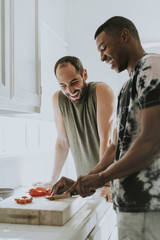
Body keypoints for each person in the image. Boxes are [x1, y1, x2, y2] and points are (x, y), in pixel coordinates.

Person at [66, 16, 160, 240]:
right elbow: (117, 147)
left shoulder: (152, 66)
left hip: (147, 204)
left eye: (103, 47)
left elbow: (152, 140)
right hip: (129, 204)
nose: (101, 57)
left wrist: (101, 179)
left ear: (125, 35)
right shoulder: (127, 85)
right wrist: (84, 179)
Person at [35, 56, 115, 200]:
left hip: (111, 181)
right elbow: (62, 142)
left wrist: (107, 183)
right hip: (85, 186)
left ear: (84, 74)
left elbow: (106, 140)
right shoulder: (58, 99)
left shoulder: (102, 91)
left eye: (74, 82)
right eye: (63, 85)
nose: (70, 90)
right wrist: (53, 179)